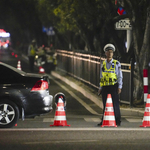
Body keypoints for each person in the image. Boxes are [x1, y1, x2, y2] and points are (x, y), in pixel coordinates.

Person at [98, 44, 123, 126]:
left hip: (113, 86)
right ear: (105, 53)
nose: (110, 54)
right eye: (108, 52)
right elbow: (101, 76)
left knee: (115, 103)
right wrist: (100, 87)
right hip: (105, 86)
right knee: (105, 104)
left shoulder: (116, 63)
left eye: (111, 52)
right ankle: (104, 120)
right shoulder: (103, 64)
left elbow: (119, 76)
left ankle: (117, 120)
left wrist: (119, 87)